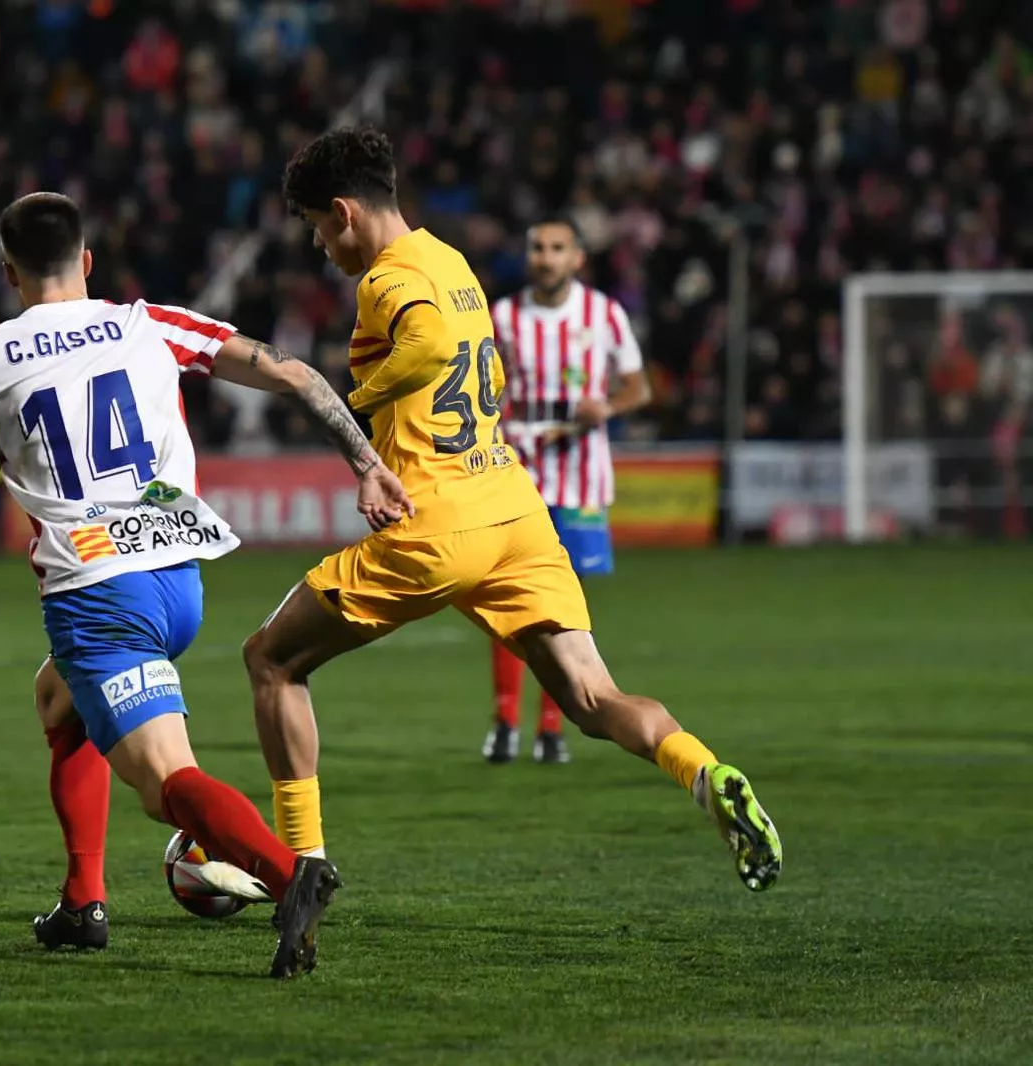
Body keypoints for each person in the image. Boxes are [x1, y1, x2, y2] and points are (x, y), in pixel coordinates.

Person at [0, 192, 413, 978]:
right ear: (88, 261)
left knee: (163, 779)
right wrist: (366, 460)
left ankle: (290, 876)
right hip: (177, 577)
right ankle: (82, 903)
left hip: (99, 593)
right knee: (56, 699)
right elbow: (289, 372)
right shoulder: (149, 323)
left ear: (9, 273)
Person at [239, 128, 782, 894]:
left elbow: (425, 343)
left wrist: (350, 401)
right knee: (595, 699)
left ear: (344, 212)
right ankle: (706, 771)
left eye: (317, 228)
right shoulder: (453, 261)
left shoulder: (387, 280)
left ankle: (304, 862)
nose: (321, 246)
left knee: (270, 659)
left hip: (435, 523)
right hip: (515, 511)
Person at [483, 215, 652, 766]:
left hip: (580, 472)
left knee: (565, 607)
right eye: (537, 247)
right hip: (517, 470)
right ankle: (505, 721)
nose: (546, 257)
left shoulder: (603, 314)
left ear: (577, 257)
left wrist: (608, 406)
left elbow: (636, 386)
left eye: (557, 248)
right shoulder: (502, 316)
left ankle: (551, 729)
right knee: (507, 598)